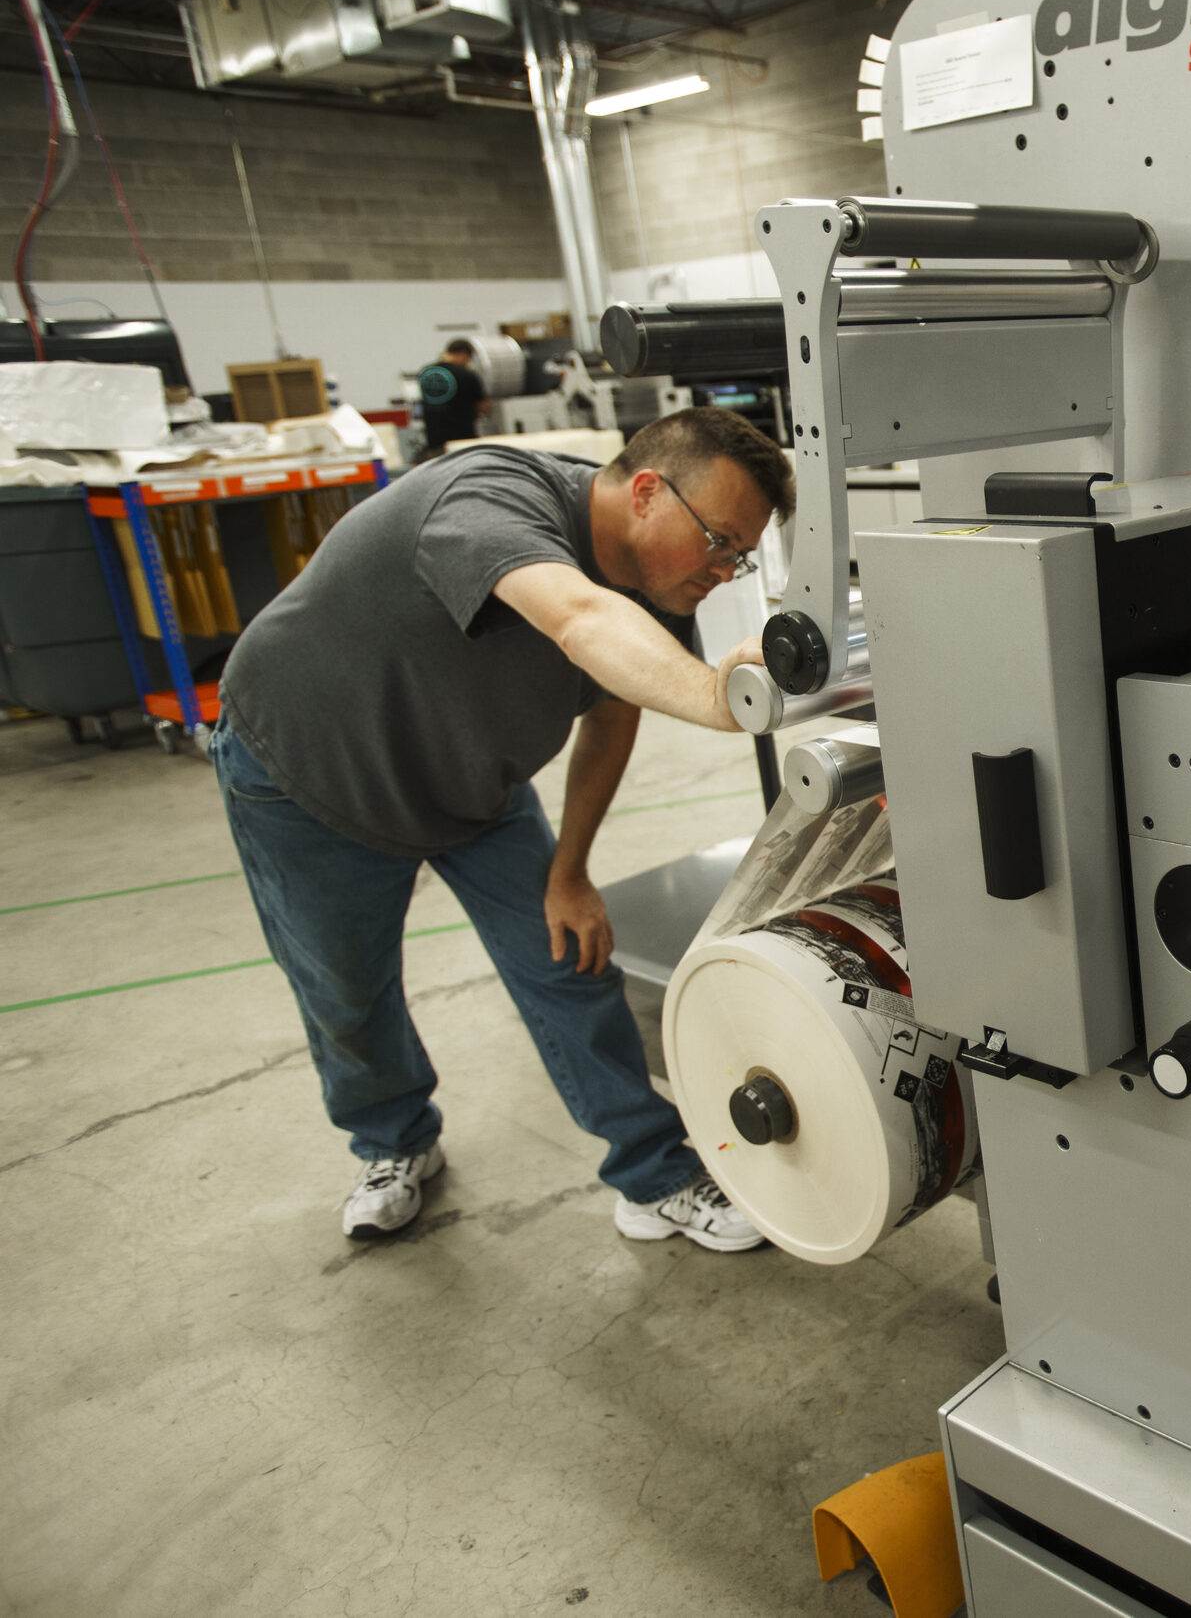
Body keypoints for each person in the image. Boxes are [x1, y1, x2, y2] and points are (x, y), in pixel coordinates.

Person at [209, 406, 789, 1252]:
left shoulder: (660, 587)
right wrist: (711, 695)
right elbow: (578, 619)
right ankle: (394, 1141)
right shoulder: (488, 500)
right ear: (646, 493)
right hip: (305, 776)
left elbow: (611, 715)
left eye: (741, 554)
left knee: (570, 959)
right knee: (345, 992)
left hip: (472, 790)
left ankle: (654, 1172)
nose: (727, 570)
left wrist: (572, 870)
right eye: (720, 541)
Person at [416, 338, 489, 455]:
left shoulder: (426, 372)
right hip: (462, 442)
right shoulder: (467, 375)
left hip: (435, 441)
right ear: (463, 355)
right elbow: (484, 407)